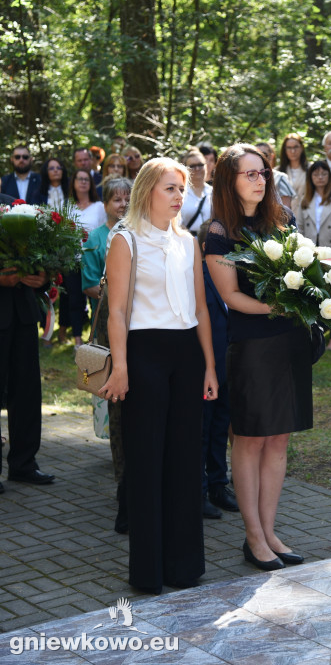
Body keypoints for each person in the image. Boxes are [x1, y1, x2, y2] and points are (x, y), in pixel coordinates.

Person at [99, 157, 218, 594]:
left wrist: (208, 365)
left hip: (187, 353)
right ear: (148, 190)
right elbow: (116, 310)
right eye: (170, 188)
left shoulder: (188, 242)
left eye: (182, 189)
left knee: (186, 461)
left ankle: (184, 567)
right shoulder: (124, 241)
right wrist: (123, 366)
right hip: (143, 353)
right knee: (147, 463)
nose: (178, 197)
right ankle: (148, 572)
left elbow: (202, 309)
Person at [206, 143, 312, 571]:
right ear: (229, 181)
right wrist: (279, 308)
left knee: (279, 439)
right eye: (249, 174)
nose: (259, 180)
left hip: (290, 342)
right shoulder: (219, 232)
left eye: (262, 173)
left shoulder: (282, 220)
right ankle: (252, 537)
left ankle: (270, 532)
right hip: (250, 346)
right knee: (250, 440)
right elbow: (229, 295)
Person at [81, 177, 132, 533]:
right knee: (118, 407)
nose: (123, 203)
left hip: (141, 326)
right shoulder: (97, 239)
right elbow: (89, 284)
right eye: (116, 199)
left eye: (128, 198)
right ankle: (124, 484)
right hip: (108, 325)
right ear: (105, 203)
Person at [0, 190, 55, 493]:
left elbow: (42, 255)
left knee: (27, 393)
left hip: (22, 315)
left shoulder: (19, 208)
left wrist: (42, 277)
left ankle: (23, 464)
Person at [196, 220, 238, 519]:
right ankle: (196, 491)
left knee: (221, 427)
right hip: (204, 366)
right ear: (202, 249)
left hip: (230, 365)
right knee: (202, 430)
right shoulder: (195, 277)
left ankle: (218, 484)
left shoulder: (233, 275)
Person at [296, 160, 331, 352]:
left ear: (329, 176)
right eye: (316, 173)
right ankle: (317, 334)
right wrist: (300, 249)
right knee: (313, 292)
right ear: (310, 177)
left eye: (323, 173)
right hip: (310, 252)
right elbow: (300, 227)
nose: (320, 177)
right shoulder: (305, 197)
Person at [59, 171, 105, 348]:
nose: (84, 182)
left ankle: (96, 338)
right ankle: (78, 340)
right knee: (75, 301)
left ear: (91, 184)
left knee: (97, 299)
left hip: (94, 261)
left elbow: (103, 232)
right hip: (73, 260)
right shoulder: (68, 207)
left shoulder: (99, 206)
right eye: (80, 179)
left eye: (87, 179)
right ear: (74, 182)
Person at [181, 149, 212, 236]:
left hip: (212, 242)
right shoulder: (180, 193)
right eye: (192, 166)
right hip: (187, 242)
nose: (197, 169)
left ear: (206, 166)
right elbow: (175, 222)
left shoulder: (214, 192)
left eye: (200, 165)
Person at [256, 141, 296, 208]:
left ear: (271, 156)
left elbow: (286, 211)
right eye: (257, 155)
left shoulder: (280, 178)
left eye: (264, 154)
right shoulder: (250, 177)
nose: (261, 158)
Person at [278, 133, 308, 214]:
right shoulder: (278, 171)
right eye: (289, 148)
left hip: (307, 216)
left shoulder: (311, 169)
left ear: (301, 148)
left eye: (296, 147)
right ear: (284, 150)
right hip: (285, 217)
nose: (293, 151)